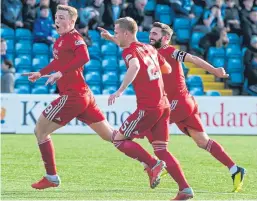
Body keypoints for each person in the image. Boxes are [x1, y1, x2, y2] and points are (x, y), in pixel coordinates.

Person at [98, 17, 194, 200]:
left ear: (126, 33)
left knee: (118, 140)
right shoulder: (149, 48)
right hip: (164, 105)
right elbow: (167, 69)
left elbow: (134, 65)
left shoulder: (129, 52)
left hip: (148, 107)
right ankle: (184, 188)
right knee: (161, 149)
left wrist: (119, 91)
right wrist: (110, 38)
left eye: (117, 32)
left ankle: (152, 164)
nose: (115, 35)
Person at [22, 4, 116, 190]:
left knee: (40, 131)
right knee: (111, 136)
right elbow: (58, 61)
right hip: (82, 95)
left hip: (74, 95)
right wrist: (40, 73)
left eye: (62, 17)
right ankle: (151, 162)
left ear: (72, 21)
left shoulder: (74, 37)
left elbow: (85, 58)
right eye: (56, 16)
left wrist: (60, 73)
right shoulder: (60, 40)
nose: (57, 20)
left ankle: (51, 177)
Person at [148, 22, 246, 192]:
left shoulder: (170, 51)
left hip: (178, 104)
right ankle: (235, 169)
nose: (151, 36)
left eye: (155, 34)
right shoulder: (153, 53)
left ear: (165, 38)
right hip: (185, 103)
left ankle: (157, 164)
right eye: (151, 33)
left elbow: (192, 58)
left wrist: (214, 70)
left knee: (148, 127)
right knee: (203, 141)